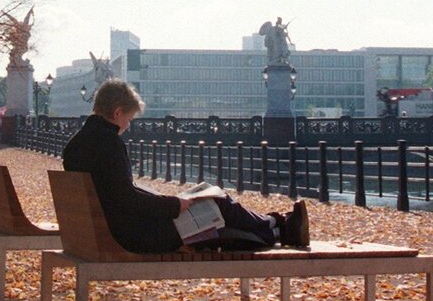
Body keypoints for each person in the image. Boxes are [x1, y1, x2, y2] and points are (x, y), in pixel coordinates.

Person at [62, 79, 309, 255]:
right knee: (216, 205)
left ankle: (278, 228)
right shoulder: (109, 143)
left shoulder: (76, 144)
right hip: (133, 236)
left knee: (212, 209)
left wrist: (165, 198)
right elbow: (126, 200)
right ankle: (276, 224)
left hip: (107, 229)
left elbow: (116, 193)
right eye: (129, 118)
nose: (128, 125)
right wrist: (173, 204)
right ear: (117, 112)